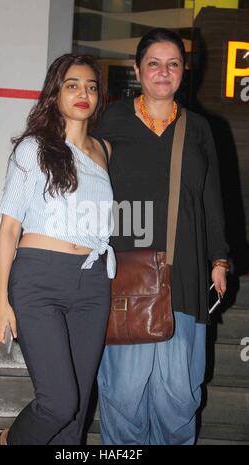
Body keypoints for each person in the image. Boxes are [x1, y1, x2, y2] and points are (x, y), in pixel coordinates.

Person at [93, 28, 229, 445]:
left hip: (184, 273)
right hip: (126, 275)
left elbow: (211, 197)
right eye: (154, 62)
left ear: (183, 73)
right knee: (124, 391)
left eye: (173, 63)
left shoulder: (200, 129)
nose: (163, 71)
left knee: (178, 394)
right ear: (137, 69)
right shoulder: (108, 120)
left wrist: (219, 260)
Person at [0, 54, 116, 445]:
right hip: (38, 279)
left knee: (77, 413)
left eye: (91, 86)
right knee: (59, 402)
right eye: (73, 85)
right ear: (55, 93)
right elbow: (10, 227)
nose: (84, 93)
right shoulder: (34, 148)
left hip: (93, 284)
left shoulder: (104, 151)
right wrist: (0, 300)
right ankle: (10, 441)